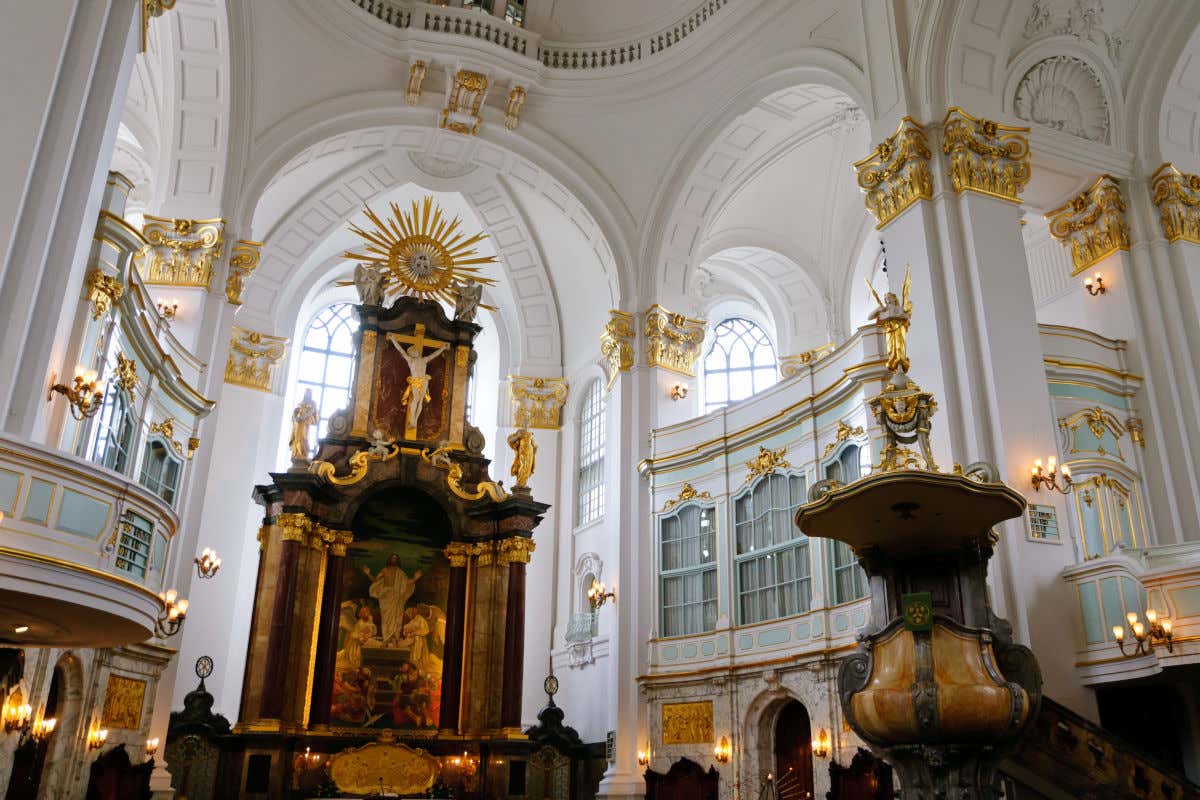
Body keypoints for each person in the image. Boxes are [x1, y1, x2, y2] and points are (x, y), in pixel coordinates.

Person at [364, 555, 422, 646]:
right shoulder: (385, 570)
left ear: (398, 561)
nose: (394, 559)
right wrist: (368, 573)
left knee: (397, 618)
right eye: (392, 558)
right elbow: (375, 580)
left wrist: (415, 579)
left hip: (397, 598)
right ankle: (386, 639)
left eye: (395, 558)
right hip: (386, 598)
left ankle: (395, 638)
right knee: (386, 618)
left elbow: (406, 584)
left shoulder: (401, 573)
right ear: (389, 560)